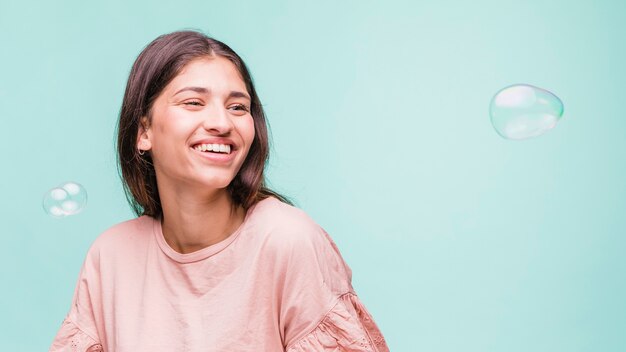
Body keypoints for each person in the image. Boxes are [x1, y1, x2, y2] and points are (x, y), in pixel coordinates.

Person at [50, 30, 389, 352]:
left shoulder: (288, 241)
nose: (222, 123)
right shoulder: (111, 255)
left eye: (238, 107)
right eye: (194, 103)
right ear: (144, 132)